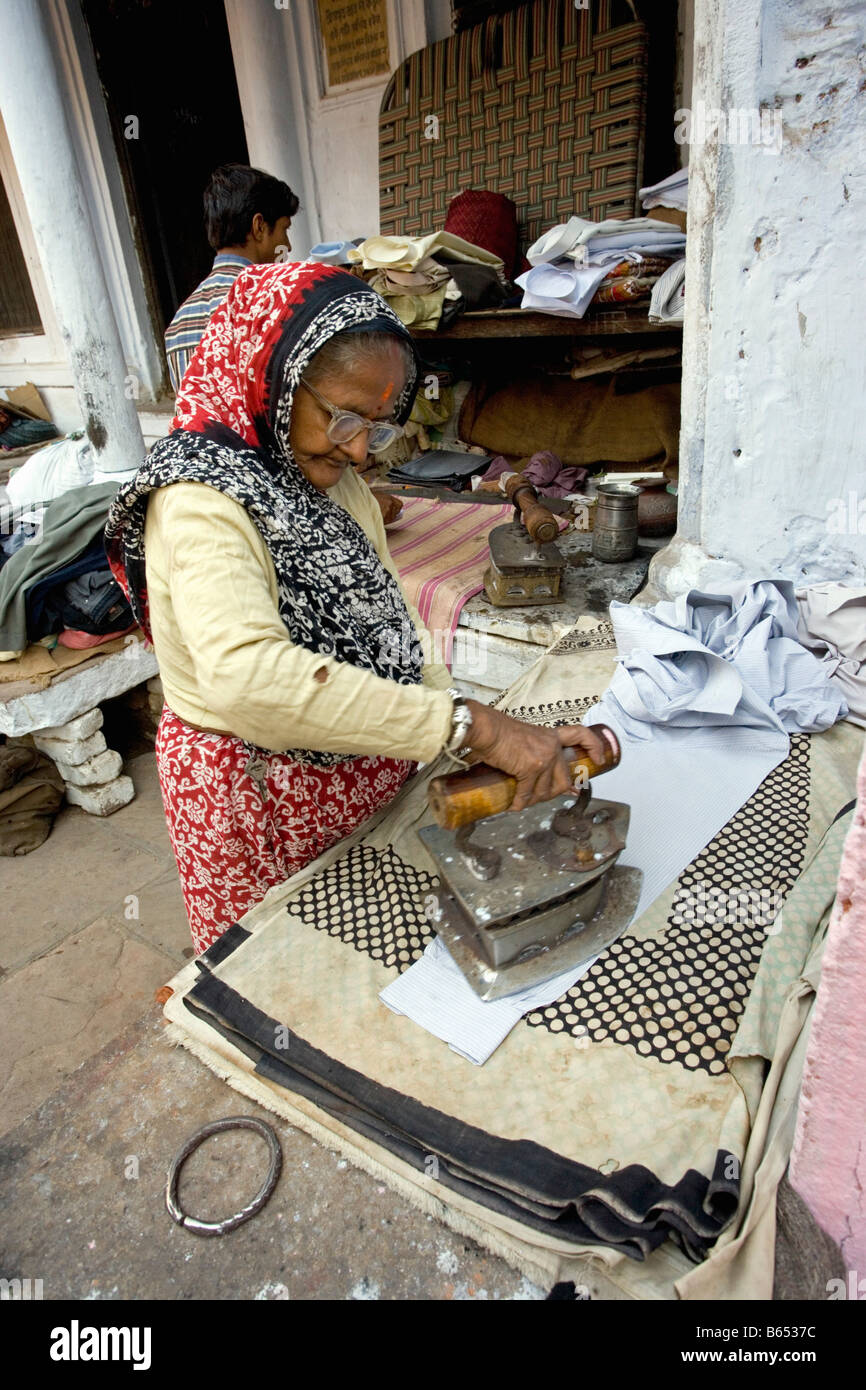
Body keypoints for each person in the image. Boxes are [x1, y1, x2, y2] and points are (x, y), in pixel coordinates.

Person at [107, 262, 604, 953]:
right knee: (271, 971)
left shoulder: (337, 485)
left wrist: (479, 738)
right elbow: (248, 680)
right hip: (258, 794)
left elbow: (391, 627)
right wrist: (471, 728)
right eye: (340, 416)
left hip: (357, 772)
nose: (359, 446)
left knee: (364, 950)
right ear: (274, 378)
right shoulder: (202, 501)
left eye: (377, 424)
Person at [163, 163, 299, 393]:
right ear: (259, 227)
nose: (288, 245)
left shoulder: (179, 322)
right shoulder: (273, 301)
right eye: (284, 230)